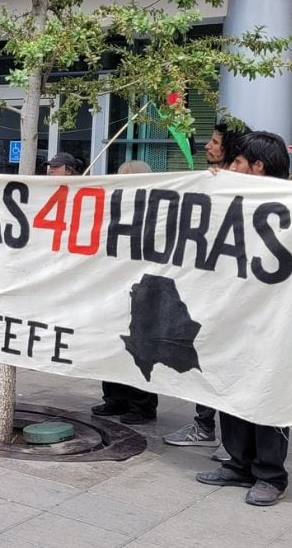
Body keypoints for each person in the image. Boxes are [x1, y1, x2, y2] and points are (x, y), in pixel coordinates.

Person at [196, 131, 292, 507]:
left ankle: (270, 474)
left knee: (268, 392)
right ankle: (238, 463)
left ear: (257, 166)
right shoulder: (234, 197)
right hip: (233, 315)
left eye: (238, 162)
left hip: (272, 323)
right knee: (230, 387)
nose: (232, 167)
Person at [163, 122, 251, 457]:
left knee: (228, 364)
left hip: (233, 291)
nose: (207, 146)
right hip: (207, 286)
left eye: (215, 142)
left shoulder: (246, 188)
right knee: (206, 357)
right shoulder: (211, 180)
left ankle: (235, 441)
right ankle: (205, 425)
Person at [91, 160, 159, 423]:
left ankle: (141, 405)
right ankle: (115, 398)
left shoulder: (156, 210)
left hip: (143, 288)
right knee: (112, 343)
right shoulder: (115, 207)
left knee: (139, 346)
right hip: (114, 287)